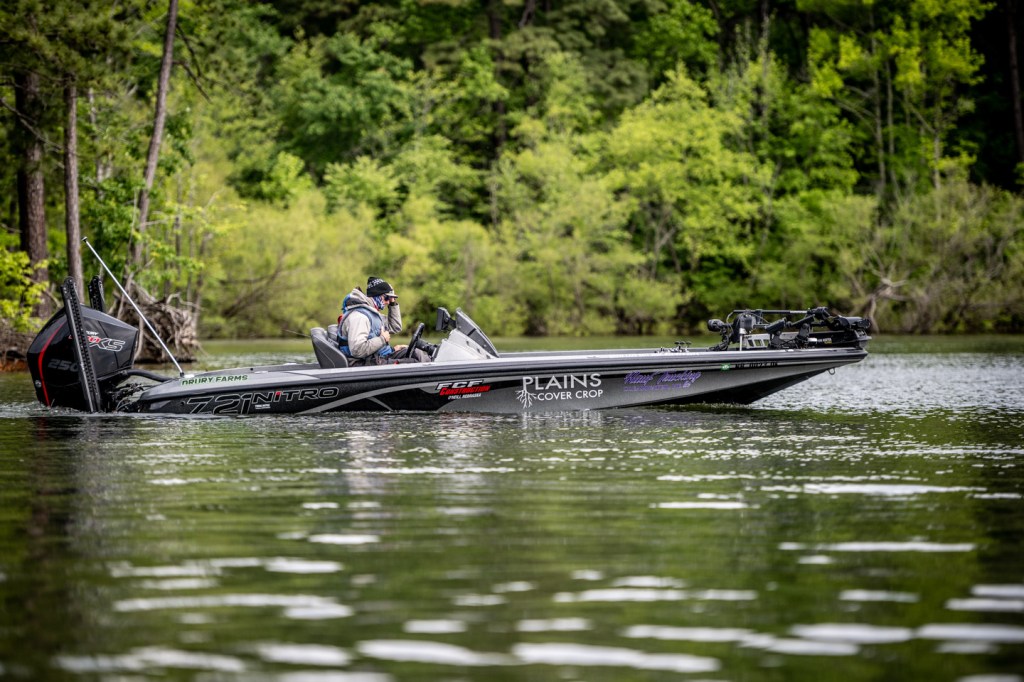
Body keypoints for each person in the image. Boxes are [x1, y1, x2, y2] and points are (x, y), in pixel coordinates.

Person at [337, 277, 431, 364]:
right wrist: (382, 339)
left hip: (378, 357)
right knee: (413, 362)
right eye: (386, 298)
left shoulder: (372, 313)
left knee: (417, 353)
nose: (388, 302)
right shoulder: (360, 317)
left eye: (390, 299)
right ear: (376, 295)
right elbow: (357, 350)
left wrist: (393, 303)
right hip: (365, 363)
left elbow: (395, 327)